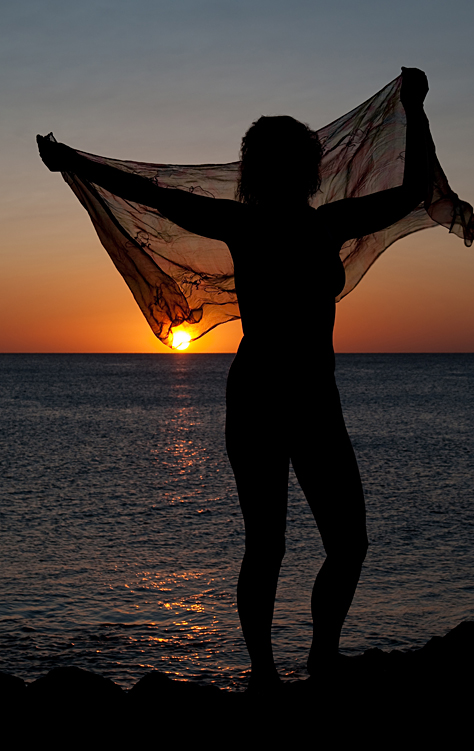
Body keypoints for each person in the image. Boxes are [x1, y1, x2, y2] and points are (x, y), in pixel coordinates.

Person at [38, 67, 431, 691]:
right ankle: (270, 673)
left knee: (344, 539)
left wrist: (414, 108)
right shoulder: (265, 224)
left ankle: (314, 660)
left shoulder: (322, 223)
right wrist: (73, 164)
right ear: (302, 168)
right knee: (273, 542)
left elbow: (411, 192)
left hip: (304, 394)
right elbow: (155, 195)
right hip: (268, 394)